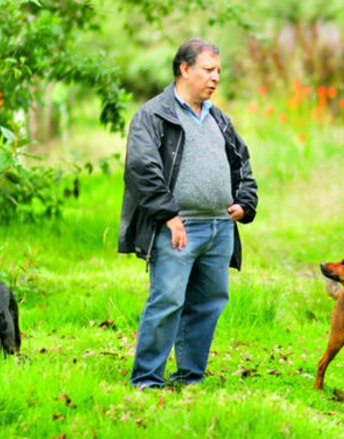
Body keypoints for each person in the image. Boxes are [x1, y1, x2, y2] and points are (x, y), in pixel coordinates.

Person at [118, 38, 258, 389]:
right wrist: (168, 215)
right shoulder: (153, 115)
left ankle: (190, 377)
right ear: (185, 69)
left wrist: (245, 202)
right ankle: (147, 380)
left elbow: (242, 162)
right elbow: (141, 168)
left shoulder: (219, 119)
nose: (215, 79)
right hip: (178, 227)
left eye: (218, 72)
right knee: (167, 300)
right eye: (208, 70)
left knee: (208, 304)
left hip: (219, 227)